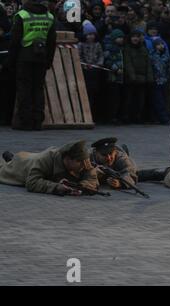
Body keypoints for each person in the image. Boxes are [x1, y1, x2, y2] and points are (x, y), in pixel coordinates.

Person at [6, 0, 56, 130]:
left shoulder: (22, 15)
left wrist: (10, 61)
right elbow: (51, 42)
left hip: (24, 56)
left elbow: (15, 41)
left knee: (24, 89)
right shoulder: (49, 16)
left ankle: (25, 122)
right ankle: (37, 121)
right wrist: (49, 60)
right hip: (42, 57)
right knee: (38, 89)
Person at [0, 140, 98, 195]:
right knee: (4, 167)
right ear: (68, 159)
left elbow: (91, 176)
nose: (85, 165)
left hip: (32, 158)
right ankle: (10, 158)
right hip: (21, 165)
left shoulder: (83, 162)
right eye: (80, 162)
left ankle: (10, 157)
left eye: (85, 161)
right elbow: (32, 183)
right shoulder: (45, 160)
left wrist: (82, 186)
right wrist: (56, 187)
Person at [123, 29, 154, 123]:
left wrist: (149, 78)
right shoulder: (127, 49)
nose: (135, 39)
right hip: (131, 79)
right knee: (129, 99)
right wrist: (133, 77)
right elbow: (128, 63)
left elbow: (148, 64)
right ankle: (127, 117)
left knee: (141, 100)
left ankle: (138, 117)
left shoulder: (143, 48)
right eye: (133, 37)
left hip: (143, 79)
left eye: (137, 37)